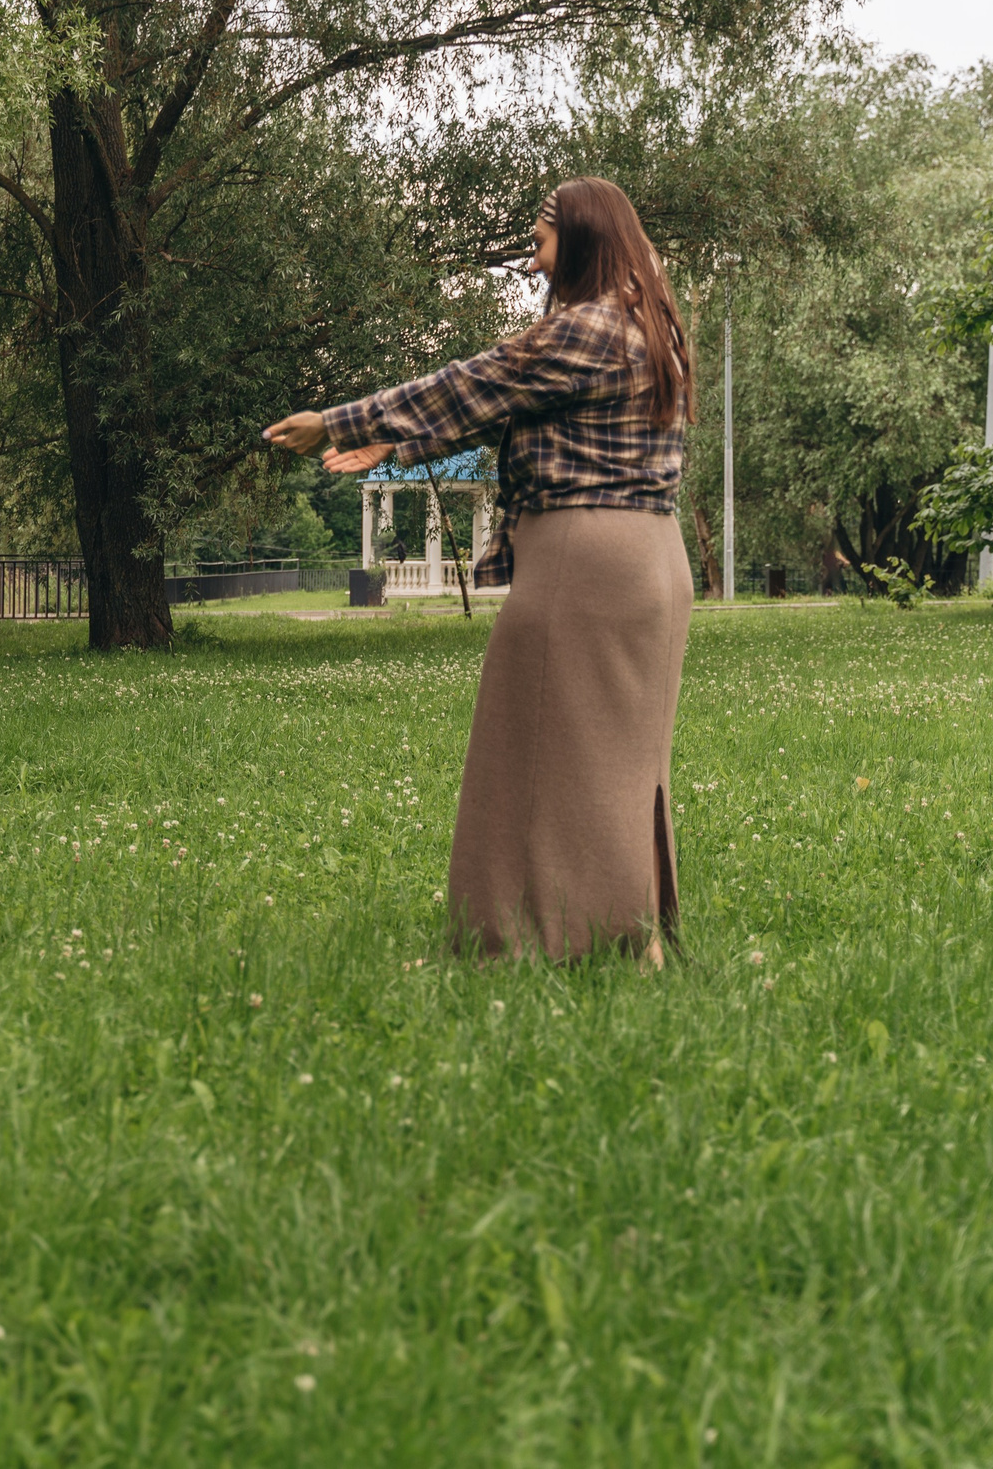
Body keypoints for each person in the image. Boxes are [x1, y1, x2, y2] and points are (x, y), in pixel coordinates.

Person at [265, 177, 694, 963]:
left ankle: (517, 940)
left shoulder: (586, 329)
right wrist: (399, 445)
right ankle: (628, 941)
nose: (533, 265)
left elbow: (479, 382)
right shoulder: (651, 326)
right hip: (654, 562)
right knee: (620, 764)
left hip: (585, 561)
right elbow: (525, 405)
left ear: (585, 237)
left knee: (527, 748)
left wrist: (337, 418)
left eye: (539, 242)